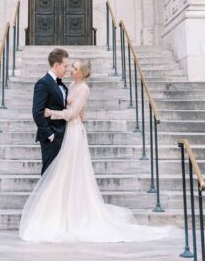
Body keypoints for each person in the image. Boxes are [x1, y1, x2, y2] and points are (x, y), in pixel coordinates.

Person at [19, 59, 174, 243]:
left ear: (81, 72)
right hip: (66, 132)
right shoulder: (70, 85)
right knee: (63, 171)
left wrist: (51, 113)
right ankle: (60, 210)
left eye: (74, 68)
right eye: (71, 67)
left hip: (75, 132)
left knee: (72, 171)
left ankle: (73, 214)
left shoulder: (84, 89)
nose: (71, 70)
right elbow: (66, 105)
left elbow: (71, 114)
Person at [32, 48, 69, 175]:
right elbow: (37, 112)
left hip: (62, 134)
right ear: (56, 65)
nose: (67, 69)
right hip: (51, 136)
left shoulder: (61, 84)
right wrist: (50, 135)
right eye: (65, 66)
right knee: (49, 174)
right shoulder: (43, 83)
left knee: (59, 175)